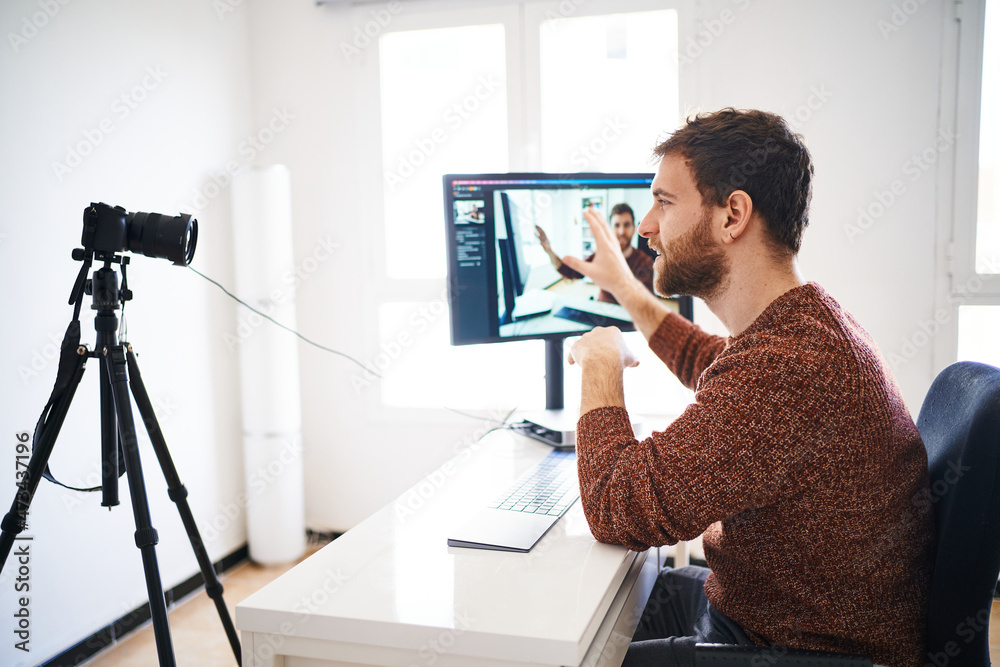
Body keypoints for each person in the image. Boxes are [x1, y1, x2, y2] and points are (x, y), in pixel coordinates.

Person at [560, 108, 933, 667]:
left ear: (732, 215)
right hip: (764, 616)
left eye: (664, 202)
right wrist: (626, 290)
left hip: (792, 651)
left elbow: (617, 507)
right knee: (584, 619)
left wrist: (599, 365)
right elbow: (711, 363)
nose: (646, 226)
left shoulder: (790, 368)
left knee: (570, 653)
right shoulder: (805, 324)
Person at [535, 203, 654, 304]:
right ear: (610, 229)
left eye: (627, 225)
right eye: (617, 225)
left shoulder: (645, 261)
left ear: (634, 228)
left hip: (630, 317)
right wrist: (549, 251)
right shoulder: (601, 256)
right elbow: (571, 272)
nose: (622, 231)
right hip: (601, 311)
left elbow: (648, 303)